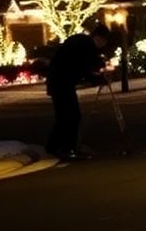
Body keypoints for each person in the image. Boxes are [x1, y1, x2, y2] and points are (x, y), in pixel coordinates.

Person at [45, 23, 111, 160]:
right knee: (71, 115)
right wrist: (97, 78)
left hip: (60, 81)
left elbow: (83, 67)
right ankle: (66, 147)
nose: (102, 46)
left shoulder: (81, 42)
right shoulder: (85, 45)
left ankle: (57, 146)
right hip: (62, 82)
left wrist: (95, 75)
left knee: (66, 115)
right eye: (103, 42)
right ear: (99, 38)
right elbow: (83, 68)